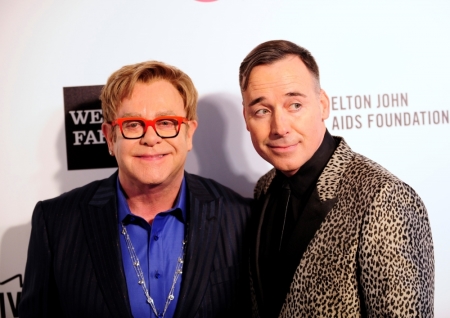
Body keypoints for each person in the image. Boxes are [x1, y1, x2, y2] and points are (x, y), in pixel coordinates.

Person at [20, 61, 252, 318]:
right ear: (110, 137)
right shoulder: (55, 222)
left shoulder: (240, 217)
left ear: (189, 134)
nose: (151, 138)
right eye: (133, 124)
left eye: (166, 122)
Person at [239, 40, 434, 317]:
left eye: (294, 105)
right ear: (246, 118)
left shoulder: (384, 197)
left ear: (322, 105)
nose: (280, 127)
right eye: (262, 111)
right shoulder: (265, 188)